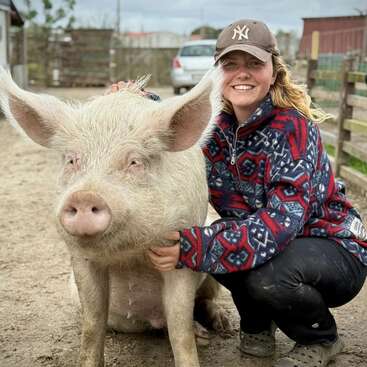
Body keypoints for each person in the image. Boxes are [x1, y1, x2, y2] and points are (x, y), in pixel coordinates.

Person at [147, 19, 367, 367]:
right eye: (230, 65)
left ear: (274, 71)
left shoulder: (293, 128)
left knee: (239, 259)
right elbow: (176, 124)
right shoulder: (214, 128)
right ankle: (257, 324)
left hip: (333, 247)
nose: (242, 74)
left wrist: (194, 246)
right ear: (216, 75)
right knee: (218, 241)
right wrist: (140, 99)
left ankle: (321, 337)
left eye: (254, 63)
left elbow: (277, 226)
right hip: (279, 246)